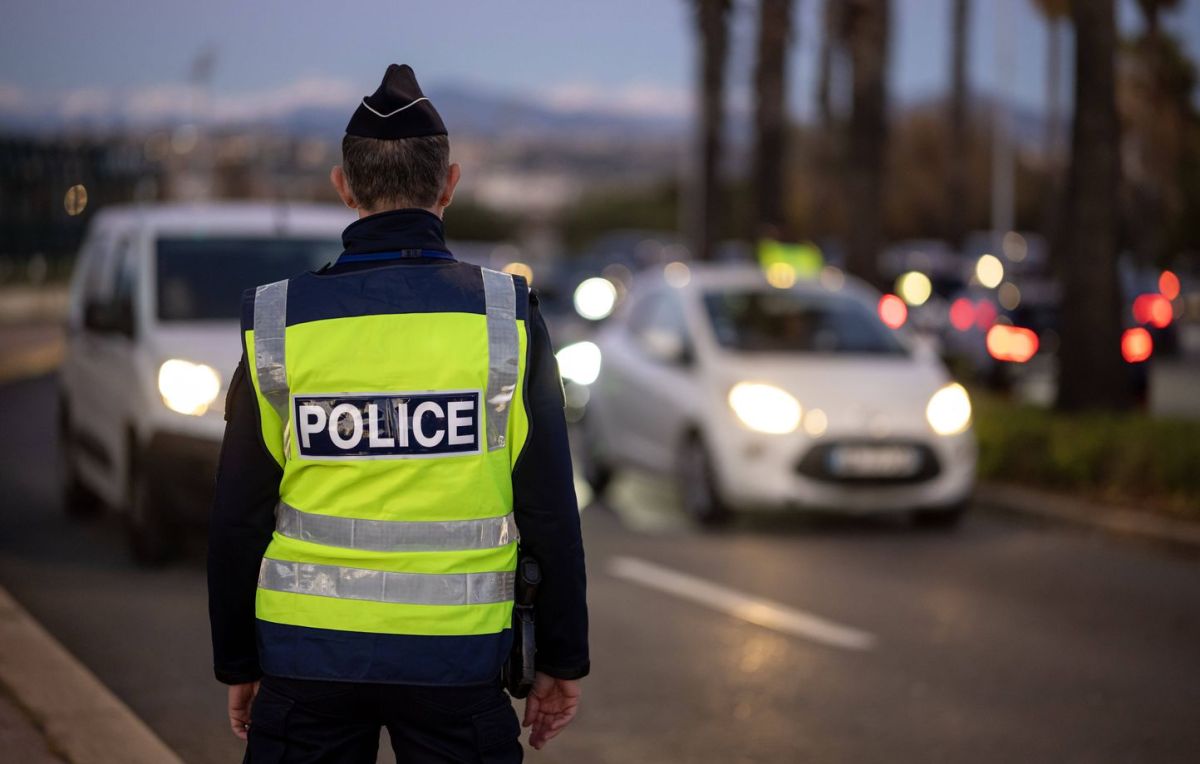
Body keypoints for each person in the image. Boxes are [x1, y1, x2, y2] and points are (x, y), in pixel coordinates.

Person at [207, 64, 589, 763]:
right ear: (449, 185)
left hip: (305, 657)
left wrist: (238, 661)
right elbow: (549, 509)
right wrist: (562, 658)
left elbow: (237, 512)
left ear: (343, 187)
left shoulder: (276, 320)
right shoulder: (507, 317)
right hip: (459, 660)